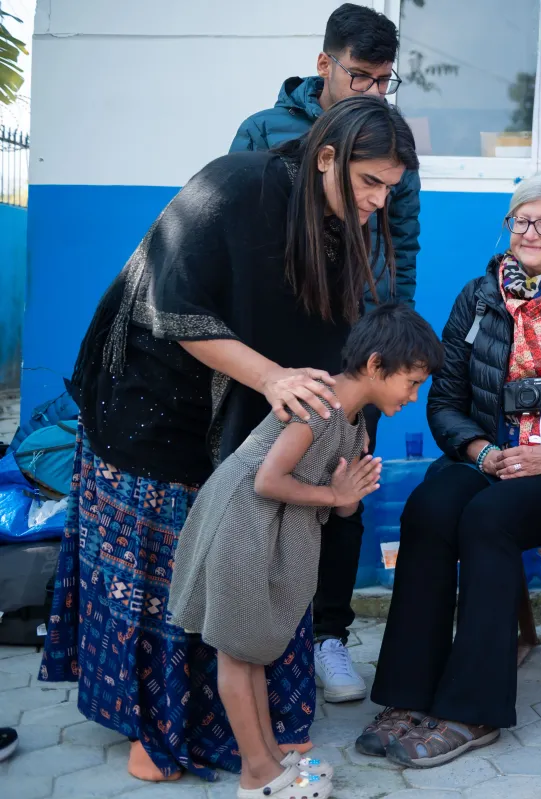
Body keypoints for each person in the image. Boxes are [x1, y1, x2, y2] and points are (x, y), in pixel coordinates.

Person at [40, 96, 419, 782]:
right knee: (170, 580)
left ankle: (250, 737)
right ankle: (156, 733)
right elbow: (171, 303)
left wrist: (346, 434)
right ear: (326, 158)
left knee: (234, 579)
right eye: (370, 182)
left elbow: (328, 344)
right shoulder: (236, 185)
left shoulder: (341, 224)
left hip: (241, 424)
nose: (378, 201)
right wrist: (271, 378)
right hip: (153, 408)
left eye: (390, 188)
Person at [357, 171, 541, 768]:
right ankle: (407, 693)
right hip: (492, 457)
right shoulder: (478, 297)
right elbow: (445, 403)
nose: (532, 232)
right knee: (430, 508)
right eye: (521, 220)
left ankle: (475, 708)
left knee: (489, 519)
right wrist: (482, 452)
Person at [169, 304, 442, 798]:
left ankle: (269, 758)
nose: (413, 396)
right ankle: (256, 775)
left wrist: (347, 496)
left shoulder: (355, 423)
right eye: (412, 382)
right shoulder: (320, 404)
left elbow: (340, 501)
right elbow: (268, 479)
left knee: (251, 651)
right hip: (240, 525)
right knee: (236, 654)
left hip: (263, 533)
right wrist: (335, 496)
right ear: (376, 365)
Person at [231, 2, 419, 701]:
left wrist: (383, 351)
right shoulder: (265, 131)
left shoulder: (391, 145)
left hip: (351, 352)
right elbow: (238, 237)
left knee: (348, 486)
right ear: (324, 65)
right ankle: (253, 638)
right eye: (359, 75)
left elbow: (402, 250)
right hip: (273, 354)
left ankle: (329, 636)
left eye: (384, 80)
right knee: (265, 483)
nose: (372, 90)